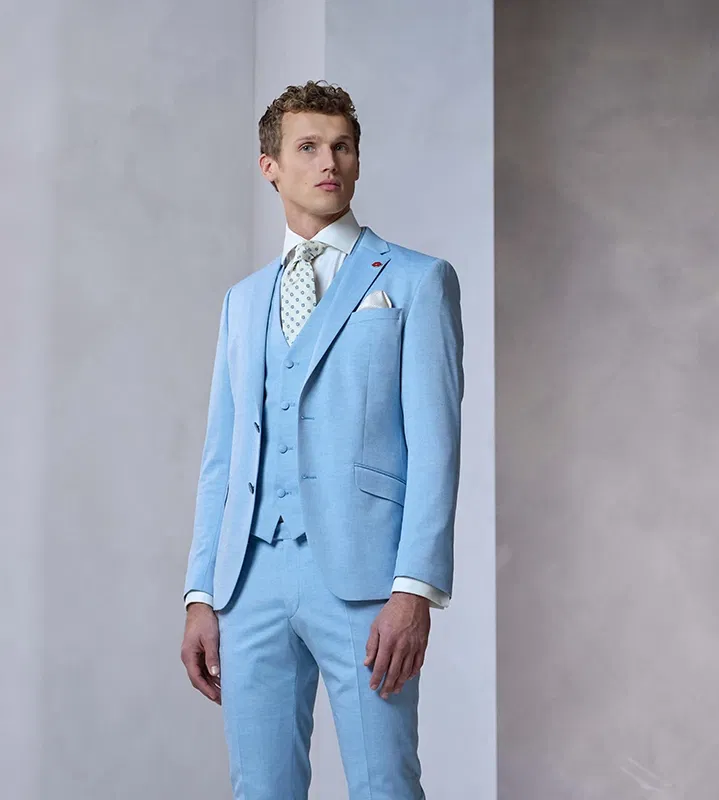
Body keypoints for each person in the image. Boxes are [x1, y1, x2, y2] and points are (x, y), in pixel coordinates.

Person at [178, 79, 464, 800]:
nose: (328, 162)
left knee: (384, 784)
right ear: (270, 167)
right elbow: (221, 459)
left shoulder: (417, 281)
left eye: (342, 146)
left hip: (367, 582)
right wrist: (201, 592)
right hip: (248, 582)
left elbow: (436, 448)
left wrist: (414, 589)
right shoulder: (243, 302)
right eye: (307, 147)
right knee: (260, 787)